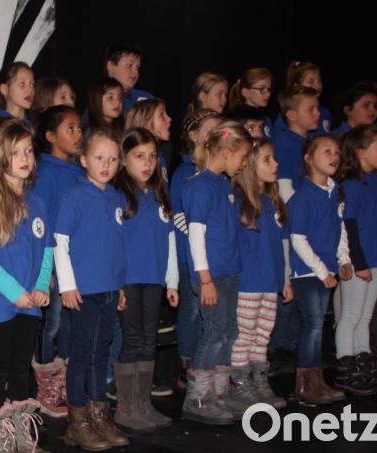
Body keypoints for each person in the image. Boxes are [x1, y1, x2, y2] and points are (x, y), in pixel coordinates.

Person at [0, 119, 53, 452]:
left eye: (28, 151)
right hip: (3, 303)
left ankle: (22, 431)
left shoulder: (40, 204)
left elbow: (46, 251)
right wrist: (15, 293)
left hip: (30, 302)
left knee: (22, 367)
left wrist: (41, 286)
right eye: (15, 152)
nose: (24, 158)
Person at [55, 126, 129, 451]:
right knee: (82, 354)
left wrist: (121, 285)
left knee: (102, 353)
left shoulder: (115, 198)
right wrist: (68, 286)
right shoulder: (76, 196)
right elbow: (60, 242)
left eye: (113, 159)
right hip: (84, 291)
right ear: (84, 159)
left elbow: (116, 246)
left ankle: (100, 414)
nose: (106, 164)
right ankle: (78, 421)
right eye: (99, 157)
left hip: (109, 289)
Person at [180, 121, 251, 425]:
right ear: (225, 152)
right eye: (242, 156)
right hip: (211, 276)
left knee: (228, 332)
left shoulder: (224, 185)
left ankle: (219, 393)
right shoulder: (198, 186)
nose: (244, 162)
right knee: (213, 334)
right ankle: (197, 398)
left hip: (228, 272)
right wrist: (205, 279)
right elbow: (196, 237)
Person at [112, 127, 179, 432]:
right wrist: (116, 284)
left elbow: (170, 242)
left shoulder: (160, 193)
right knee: (133, 339)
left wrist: (173, 281)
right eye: (139, 156)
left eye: (152, 156)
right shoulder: (118, 195)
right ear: (124, 160)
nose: (147, 163)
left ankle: (143, 404)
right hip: (128, 281)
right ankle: (126, 408)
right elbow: (110, 244)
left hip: (154, 279)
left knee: (149, 340)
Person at [287, 134, 351, 404]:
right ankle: (306, 385)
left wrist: (344, 258)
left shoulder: (334, 191)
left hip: (326, 269)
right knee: (312, 325)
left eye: (336, 151)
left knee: (316, 325)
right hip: (308, 271)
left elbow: (340, 228)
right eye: (326, 151)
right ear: (308, 158)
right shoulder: (303, 196)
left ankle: (315, 381)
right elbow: (297, 238)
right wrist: (322, 270)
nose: (334, 156)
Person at [30, 105, 85, 418]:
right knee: (49, 325)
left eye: (79, 128)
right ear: (51, 136)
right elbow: (44, 223)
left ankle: (63, 380)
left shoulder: (80, 172)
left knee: (68, 324)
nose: (78, 135)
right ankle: (45, 382)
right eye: (70, 129)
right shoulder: (46, 173)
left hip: (77, 264)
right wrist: (47, 269)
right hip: (53, 263)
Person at [230, 139, 293, 410]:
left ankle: (258, 381)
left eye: (274, 158)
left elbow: (279, 247)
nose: (276, 164)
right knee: (244, 335)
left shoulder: (269, 202)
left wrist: (285, 279)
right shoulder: (239, 203)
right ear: (249, 166)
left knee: (263, 334)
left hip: (269, 282)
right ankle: (240, 384)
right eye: (267, 159)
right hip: (248, 284)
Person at [170, 108, 222, 390]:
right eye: (211, 131)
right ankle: (187, 361)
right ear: (193, 136)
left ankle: (208, 361)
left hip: (211, 257)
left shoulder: (216, 173)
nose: (217, 136)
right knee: (191, 310)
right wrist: (201, 241)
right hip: (188, 256)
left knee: (208, 310)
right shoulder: (185, 172)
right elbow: (178, 216)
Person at [334, 124, 377, 396]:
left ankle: (361, 358)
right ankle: (345, 363)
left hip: (376, 259)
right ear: (361, 152)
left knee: (364, 317)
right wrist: (359, 262)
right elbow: (349, 227)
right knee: (351, 314)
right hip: (358, 261)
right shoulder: (351, 186)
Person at [273, 85, 321, 202]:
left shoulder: (313, 140)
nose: (318, 113)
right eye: (311, 109)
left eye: (317, 108)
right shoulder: (284, 144)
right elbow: (284, 189)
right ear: (291, 115)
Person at [274, 61, 331, 135]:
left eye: (319, 81)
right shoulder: (285, 118)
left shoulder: (324, 112)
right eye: (311, 82)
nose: (317, 86)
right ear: (296, 86)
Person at [103, 42, 154, 115]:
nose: (135, 71)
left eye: (137, 67)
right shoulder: (98, 101)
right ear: (111, 66)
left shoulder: (146, 99)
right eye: (129, 65)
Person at [228, 67, 274, 138]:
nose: (268, 94)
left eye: (269, 89)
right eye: (262, 89)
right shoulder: (237, 120)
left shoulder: (266, 120)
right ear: (246, 92)